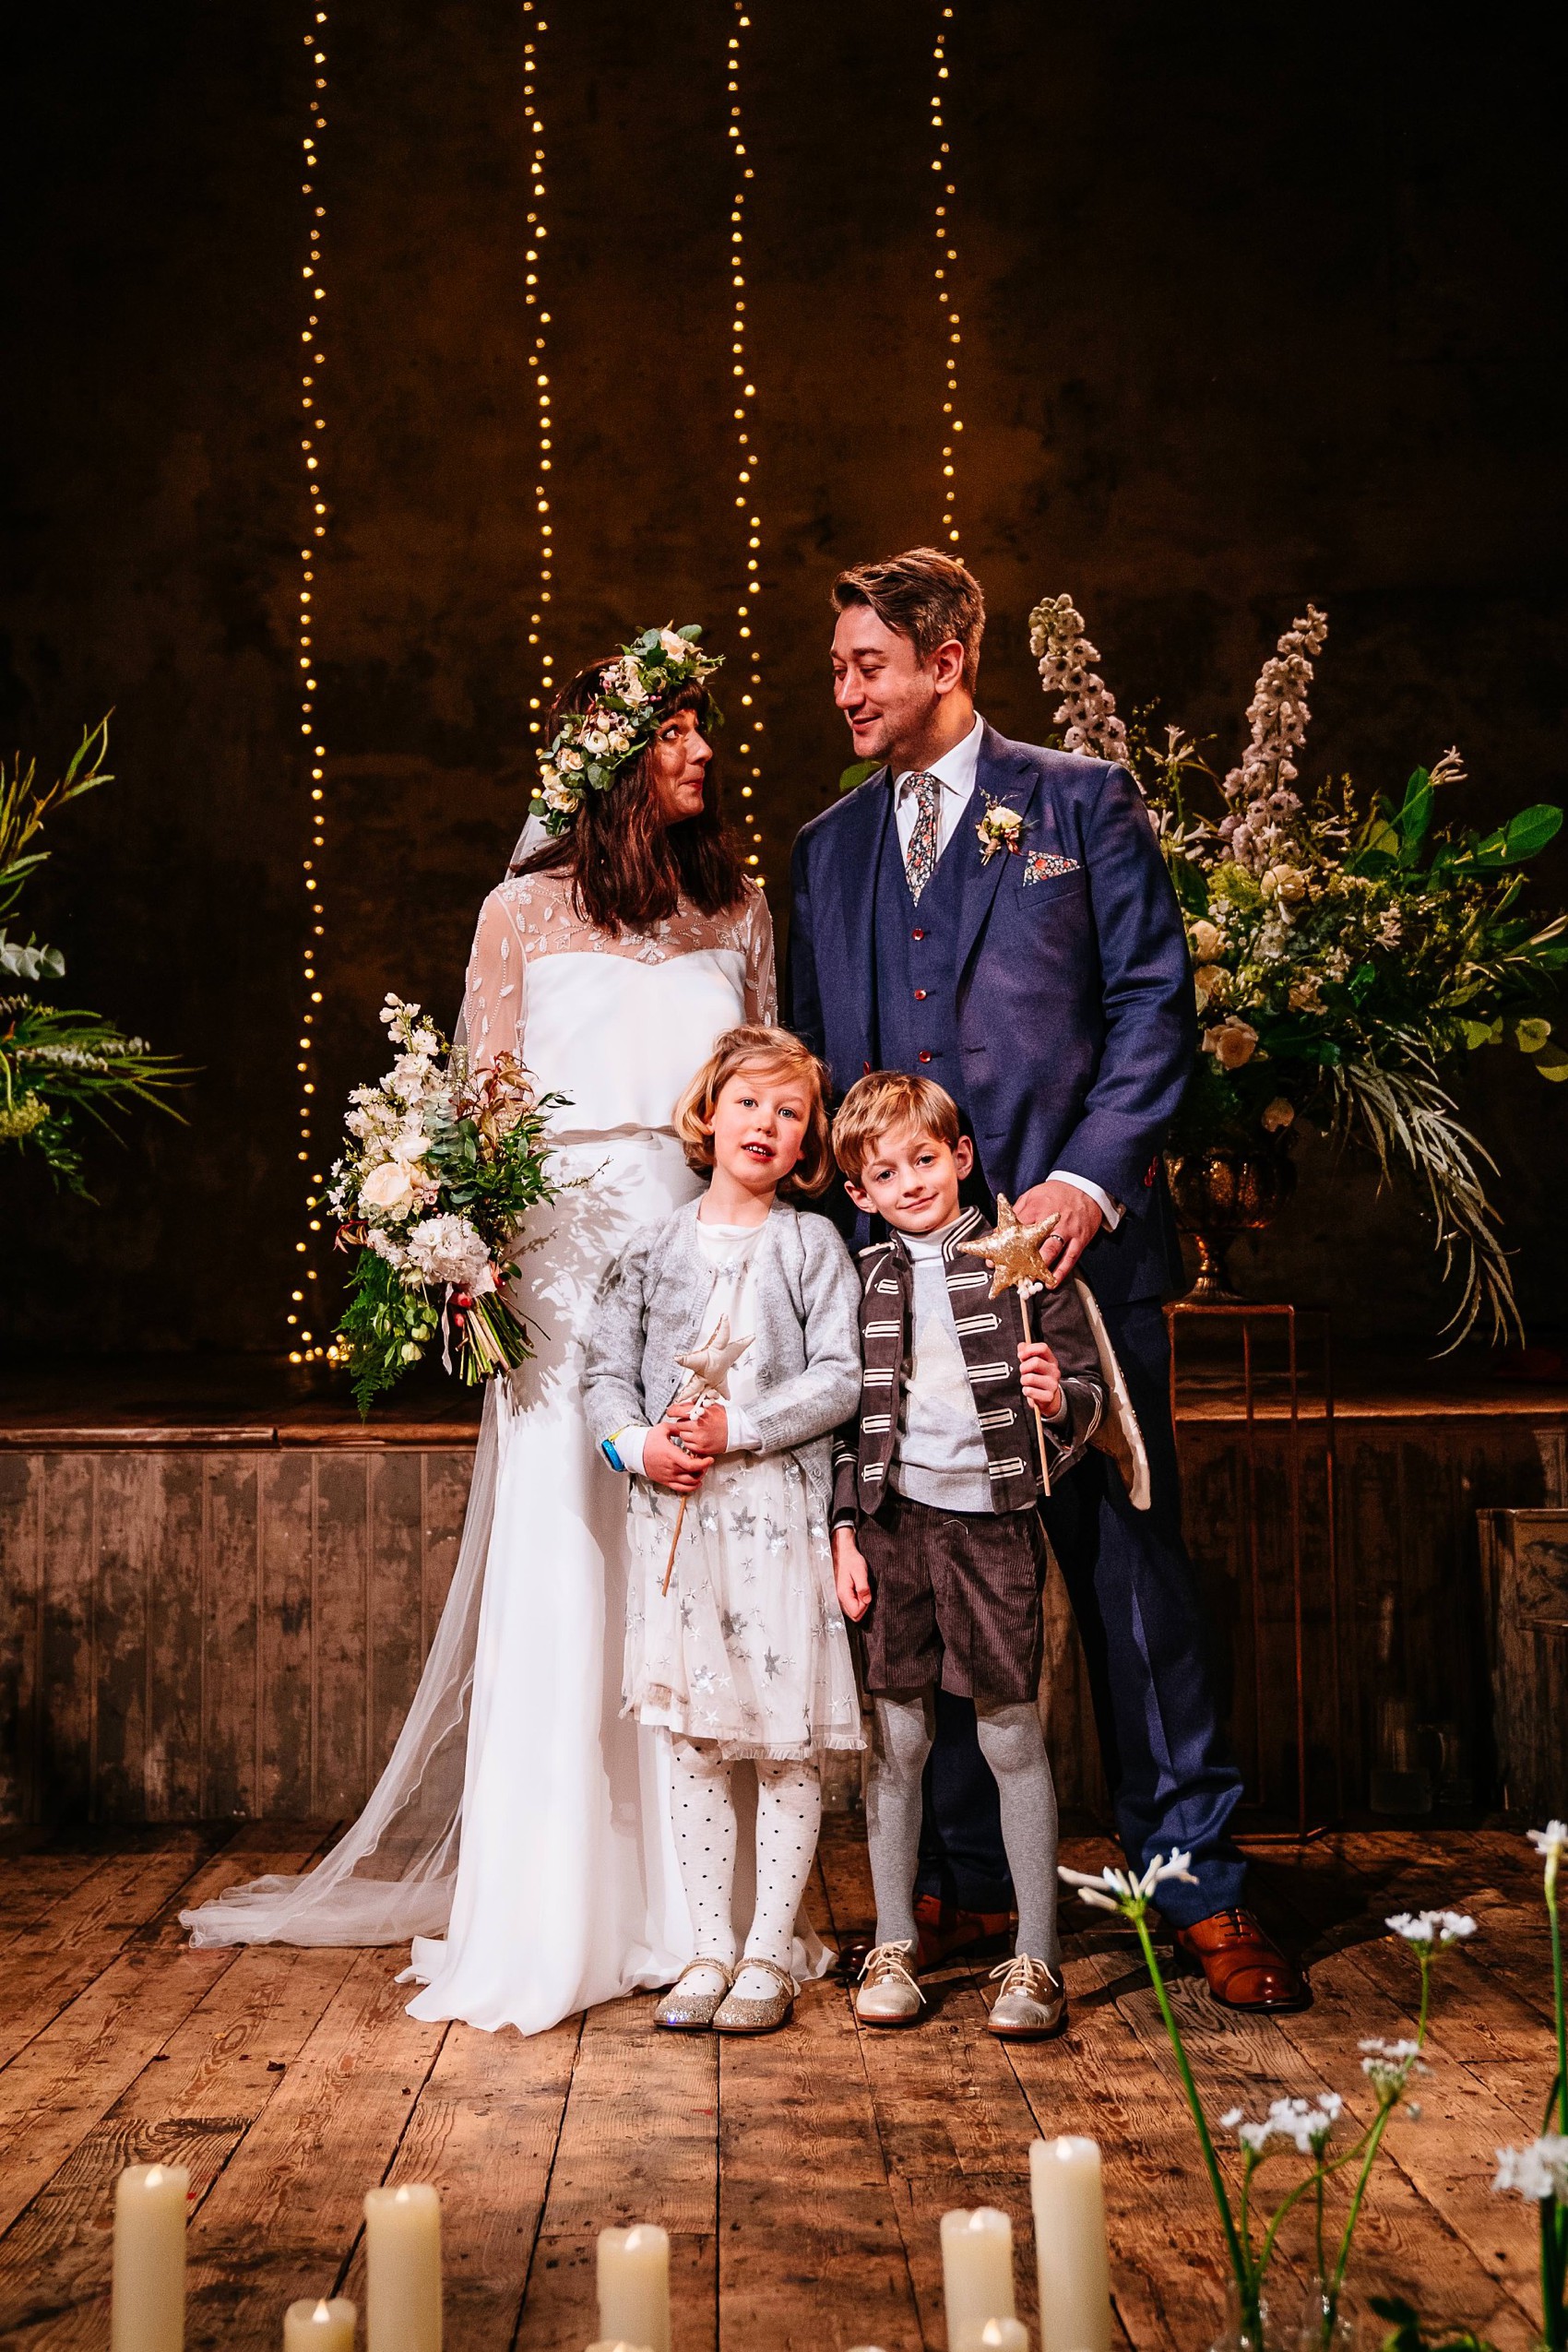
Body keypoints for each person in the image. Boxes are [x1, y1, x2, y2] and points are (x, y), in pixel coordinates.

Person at [186, 624, 784, 2037]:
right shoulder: (521, 913)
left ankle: (709, 1918)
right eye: (673, 730)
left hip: (703, 1250)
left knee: (698, 1558)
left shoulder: (740, 908)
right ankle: (563, 1911)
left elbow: (769, 1072)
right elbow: (483, 1110)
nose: (700, 749)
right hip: (567, 1263)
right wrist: (469, 1258)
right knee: (569, 1559)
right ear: (609, 758)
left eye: (703, 726)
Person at [787, 548, 1305, 2012]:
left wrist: (1084, 1180)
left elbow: (1157, 1007)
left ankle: (1194, 1879)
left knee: (1131, 1575)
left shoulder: (1078, 802)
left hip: (1074, 1264)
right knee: (934, 1580)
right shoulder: (828, 849)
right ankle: (953, 1880)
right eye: (838, 667)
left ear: (949, 655)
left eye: (866, 663)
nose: (846, 688)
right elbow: (827, 1067)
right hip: (906, 1299)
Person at [582, 1025, 862, 2035]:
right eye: (750, 1103)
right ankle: (705, 1946)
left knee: (784, 1744)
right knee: (698, 1741)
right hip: (680, 1527)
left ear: (805, 1148)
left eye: (790, 1114)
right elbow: (604, 1371)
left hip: (778, 1523)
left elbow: (842, 1375)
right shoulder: (648, 1249)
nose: (768, 1124)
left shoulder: (810, 1244)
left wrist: (740, 1425)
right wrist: (633, 1447)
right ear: (708, 1114)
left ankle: (766, 1953)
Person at [827, 1070, 1105, 2040]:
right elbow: (841, 1420)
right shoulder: (858, 1281)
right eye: (882, 1172)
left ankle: (1035, 1955)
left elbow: (1087, 1395)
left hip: (991, 1527)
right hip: (892, 1528)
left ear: (960, 1158)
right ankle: (894, 1940)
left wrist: (1053, 1398)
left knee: (1007, 1734)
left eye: (922, 1159)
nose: (908, 1182)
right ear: (856, 1193)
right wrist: (841, 1533)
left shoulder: (1017, 1261)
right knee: (896, 1741)